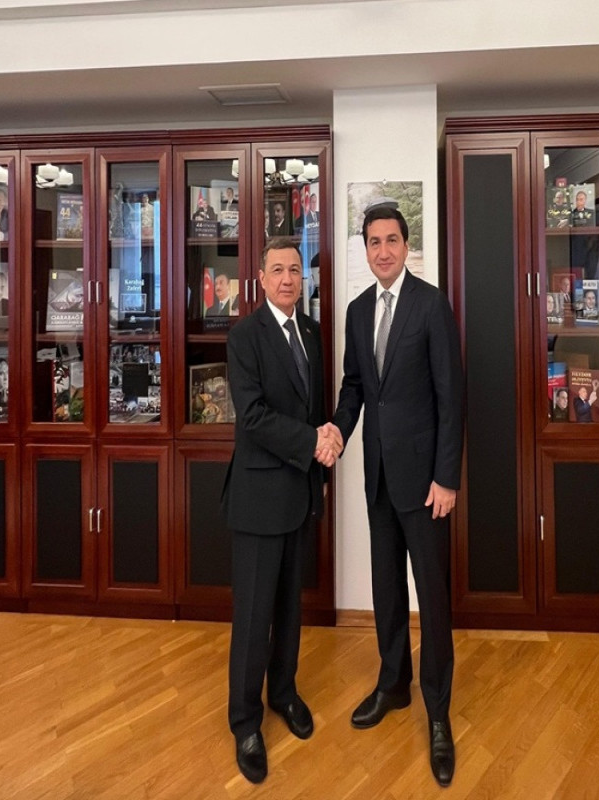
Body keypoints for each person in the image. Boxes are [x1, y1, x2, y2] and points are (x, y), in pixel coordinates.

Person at [330, 205, 464, 788]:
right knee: (386, 589)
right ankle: (394, 685)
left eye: (391, 240)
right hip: (379, 477)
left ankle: (438, 711)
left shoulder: (431, 305)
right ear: (364, 249)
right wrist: (337, 430)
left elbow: (451, 397)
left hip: (427, 484)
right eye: (373, 242)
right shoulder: (358, 311)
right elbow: (356, 388)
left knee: (431, 599)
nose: (382, 250)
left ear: (407, 246)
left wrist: (447, 477)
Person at [222, 237, 339, 785]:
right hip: (258, 498)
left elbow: (315, 409)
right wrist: (314, 441)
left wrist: (323, 460)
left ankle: (283, 693)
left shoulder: (311, 332)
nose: (289, 279)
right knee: (253, 617)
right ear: (262, 279)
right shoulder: (245, 336)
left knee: (290, 609)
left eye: (295, 270)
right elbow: (252, 416)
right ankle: (245, 721)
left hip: (299, 494)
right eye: (278, 270)